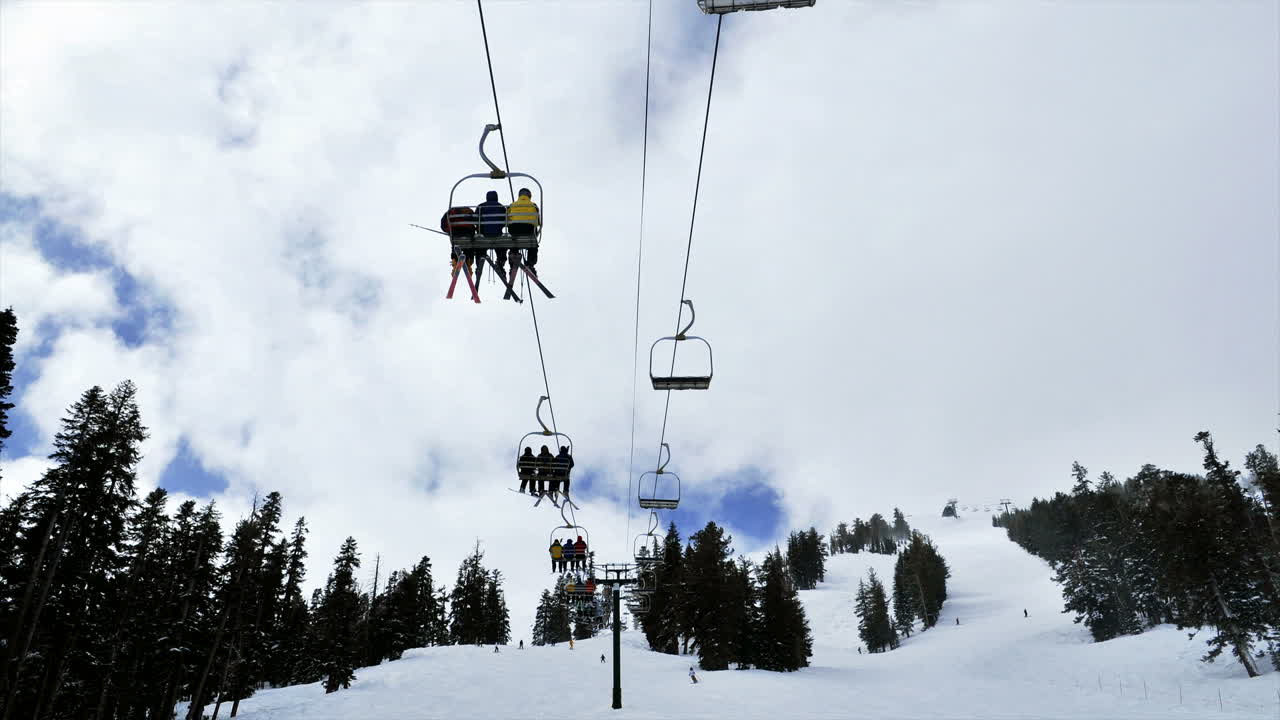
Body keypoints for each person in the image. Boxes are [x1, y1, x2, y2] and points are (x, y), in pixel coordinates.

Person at [506, 188, 541, 268]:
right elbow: (538, 222)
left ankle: (512, 258)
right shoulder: (533, 205)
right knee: (533, 245)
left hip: (514, 230)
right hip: (528, 230)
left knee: (513, 242)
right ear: (529, 196)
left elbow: (507, 220)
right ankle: (530, 263)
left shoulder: (512, 205)